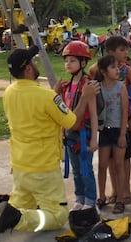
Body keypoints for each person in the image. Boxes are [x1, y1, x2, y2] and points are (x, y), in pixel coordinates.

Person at [0, 46, 100, 242]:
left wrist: (54, 95)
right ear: (28, 69)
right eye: (34, 62)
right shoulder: (47, 97)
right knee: (57, 216)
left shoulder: (9, 92)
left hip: (20, 166)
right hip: (43, 168)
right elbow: (72, 121)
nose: (36, 64)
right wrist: (86, 96)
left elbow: (36, 110)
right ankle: (14, 219)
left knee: (20, 206)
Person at [94, 35, 131, 201]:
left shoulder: (126, 70)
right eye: (122, 50)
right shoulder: (97, 70)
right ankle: (115, 191)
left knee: (123, 160)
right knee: (108, 161)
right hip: (106, 125)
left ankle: (125, 192)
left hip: (124, 122)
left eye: (126, 49)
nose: (125, 53)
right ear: (110, 52)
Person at [54, 41, 99, 212]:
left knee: (86, 169)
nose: (68, 64)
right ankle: (80, 198)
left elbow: (93, 114)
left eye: (72, 60)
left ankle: (91, 200)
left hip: (84, 135)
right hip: (69, 136)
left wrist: (94, 138)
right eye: (66, 61)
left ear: (83, 63)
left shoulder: (89, 85)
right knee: (76, 171)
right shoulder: (66, 86)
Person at [92, 55, 129, 214]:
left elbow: (125, 112)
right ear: (103, 71)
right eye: (113, 67)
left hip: (118, 130)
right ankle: (102, 197)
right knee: (102, 165)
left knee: (119, 165)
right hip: (104, 131)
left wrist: (122, 134)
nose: (117, 70)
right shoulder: (97, 87)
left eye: (117, 67)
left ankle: (120, 199)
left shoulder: (121, 87)